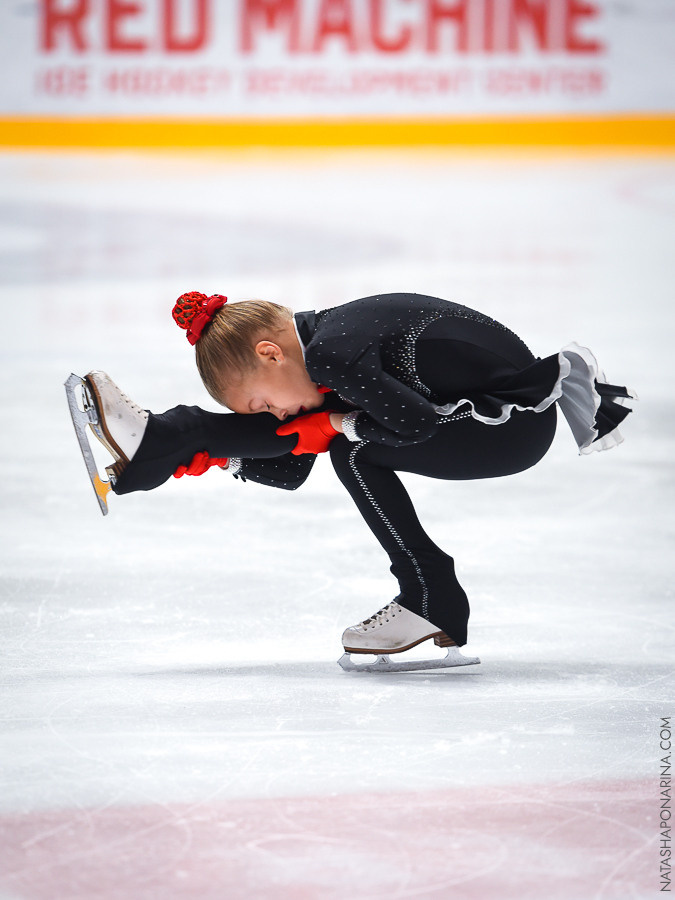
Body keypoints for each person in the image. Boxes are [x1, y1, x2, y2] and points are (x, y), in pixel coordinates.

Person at [69, 290, 637, 669]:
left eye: (263, 403)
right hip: (473, 414)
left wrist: (337, 422)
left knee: (355, 451)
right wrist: (223, 455)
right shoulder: (322, 343)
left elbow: (411, 423)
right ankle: (166, 439)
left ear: (270, 353)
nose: (275, 415)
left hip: (509, 425)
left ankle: (430, 596)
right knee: (337, 434)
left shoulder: (332, 356)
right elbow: (293, 463)